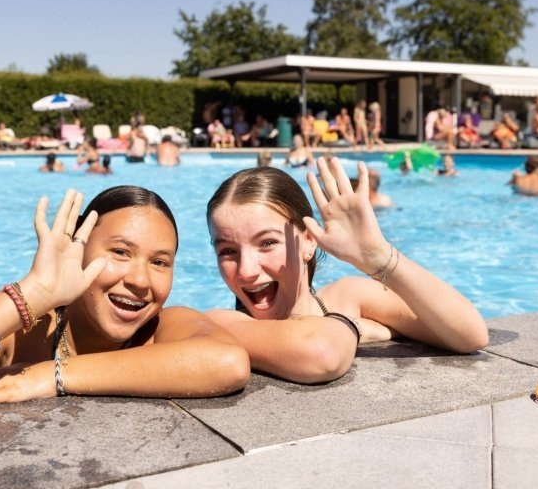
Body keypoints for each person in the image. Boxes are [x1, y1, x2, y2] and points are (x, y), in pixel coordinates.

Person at [0, 187, 250, 424]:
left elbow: (227, 365)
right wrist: (32, 295)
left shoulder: (163, 328)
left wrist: (54, 376)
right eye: (120, 252)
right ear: (77, 248)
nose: (141, 281)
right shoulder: (20, 332)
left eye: (160, 262)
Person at [204, 158, 488, 384]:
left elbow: (471, 336)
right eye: (227, 251)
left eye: (267, 243)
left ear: (309, 241)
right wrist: (357, 326)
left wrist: (378, 256)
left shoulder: (349, 296)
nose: (246, 271)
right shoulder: (219, 322)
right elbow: (321, 354)